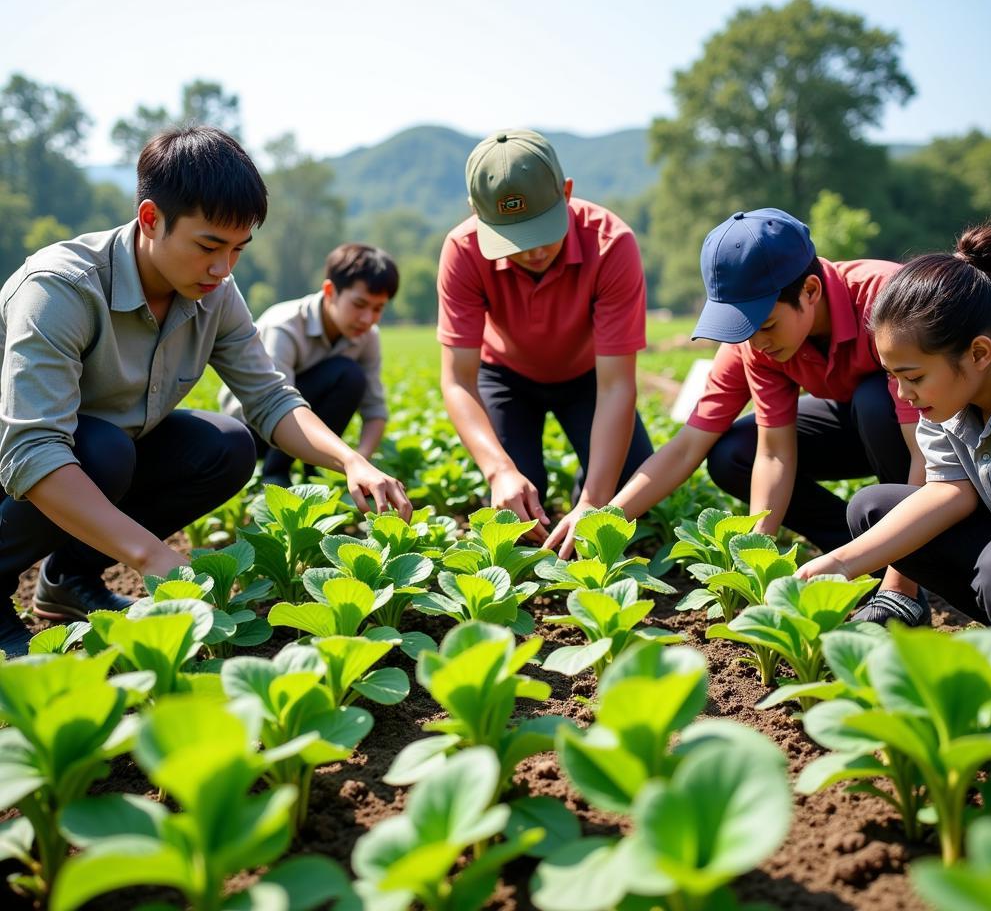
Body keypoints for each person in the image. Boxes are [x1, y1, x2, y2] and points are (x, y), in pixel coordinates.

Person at [0, 126, 410, 658]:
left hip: (100, 455)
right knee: (102, 449)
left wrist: (351, 460)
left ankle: (70, 580)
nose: (223, 268)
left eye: (239, 249)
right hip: (24, 460)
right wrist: (150, 556)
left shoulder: (214, 290)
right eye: (209, 246)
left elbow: (271, 397)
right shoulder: (61, 288)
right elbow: (32, 450)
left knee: (225, 445)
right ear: (151, 219)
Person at [546, 208, 926, 628]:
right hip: (859, 428)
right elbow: (719, 448)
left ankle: (909, 573)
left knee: (875, 402)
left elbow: (925, 450)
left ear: (811, 290)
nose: (757, 343)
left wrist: (900, 588)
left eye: (765, 324)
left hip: (935, 443)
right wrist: (604, 516)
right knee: (733, 454)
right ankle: (862, 554)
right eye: (742, 328)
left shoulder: (887, 302)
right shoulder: (756, 343)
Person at [796, 225, 991, 664]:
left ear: (979, 354)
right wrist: (841, 564)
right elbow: (947, 492)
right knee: (873, 510)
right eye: (892, 375)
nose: (902, 394)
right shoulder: (951, 401)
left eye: (914, 376)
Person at [437, 128, 653, 542]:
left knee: (629, 486)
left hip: (589, 377)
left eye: (543, 230)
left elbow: (617, 385)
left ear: (567, 192)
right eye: (514, 239)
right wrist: (500, 471)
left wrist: (593, 501)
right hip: (506, 376)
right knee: (515, 505)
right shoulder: (463, 250)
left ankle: (581, 497)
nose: (533, 251)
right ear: (476, 212)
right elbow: (458, 380)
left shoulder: (611, 244)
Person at [220, 242, 398, 485]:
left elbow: (375, 410)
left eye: (378, 308)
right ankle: (274, 474)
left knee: (351, 377)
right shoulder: (284, 325)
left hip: (303, 429)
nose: (367, 318)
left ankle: (314, 473)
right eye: (359, 304)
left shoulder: (367, 335)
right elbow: (271, 404)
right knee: (346, 373)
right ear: (330, 291)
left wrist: (361, 462)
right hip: (251, 430)